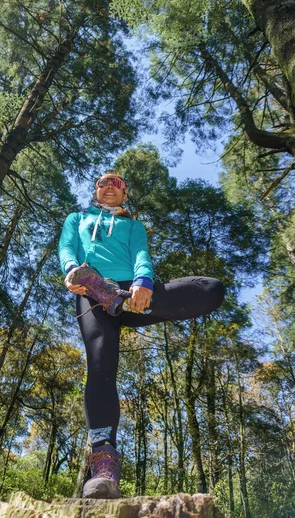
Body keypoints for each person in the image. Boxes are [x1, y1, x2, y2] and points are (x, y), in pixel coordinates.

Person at [58, 173, 225, 499]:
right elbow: (67, 246)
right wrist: (71, 271)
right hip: (88, 291)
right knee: (101, 365)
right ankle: (103, 465)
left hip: (132, 294)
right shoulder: (77, 218)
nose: (110, 185)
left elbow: (141, 256)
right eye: (104, 182)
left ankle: (115, 298)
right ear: (96, 192)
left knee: (211, 290)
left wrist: (144, 283)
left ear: (125, 194)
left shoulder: (134, 226)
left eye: (118, 183)